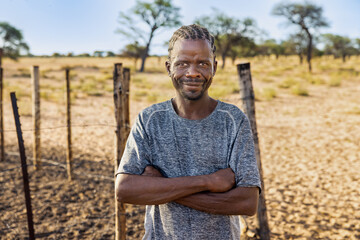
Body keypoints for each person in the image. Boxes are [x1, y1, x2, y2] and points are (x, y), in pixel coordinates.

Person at [115, 24, 261, 240]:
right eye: (182, 63)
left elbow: (247, 202)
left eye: (202, 63)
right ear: (168, 68)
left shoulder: (233, 120)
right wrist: (208, 182)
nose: (192, 72)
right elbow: (125, 190)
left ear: (215, 67)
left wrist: (160, 185)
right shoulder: (150, 120)